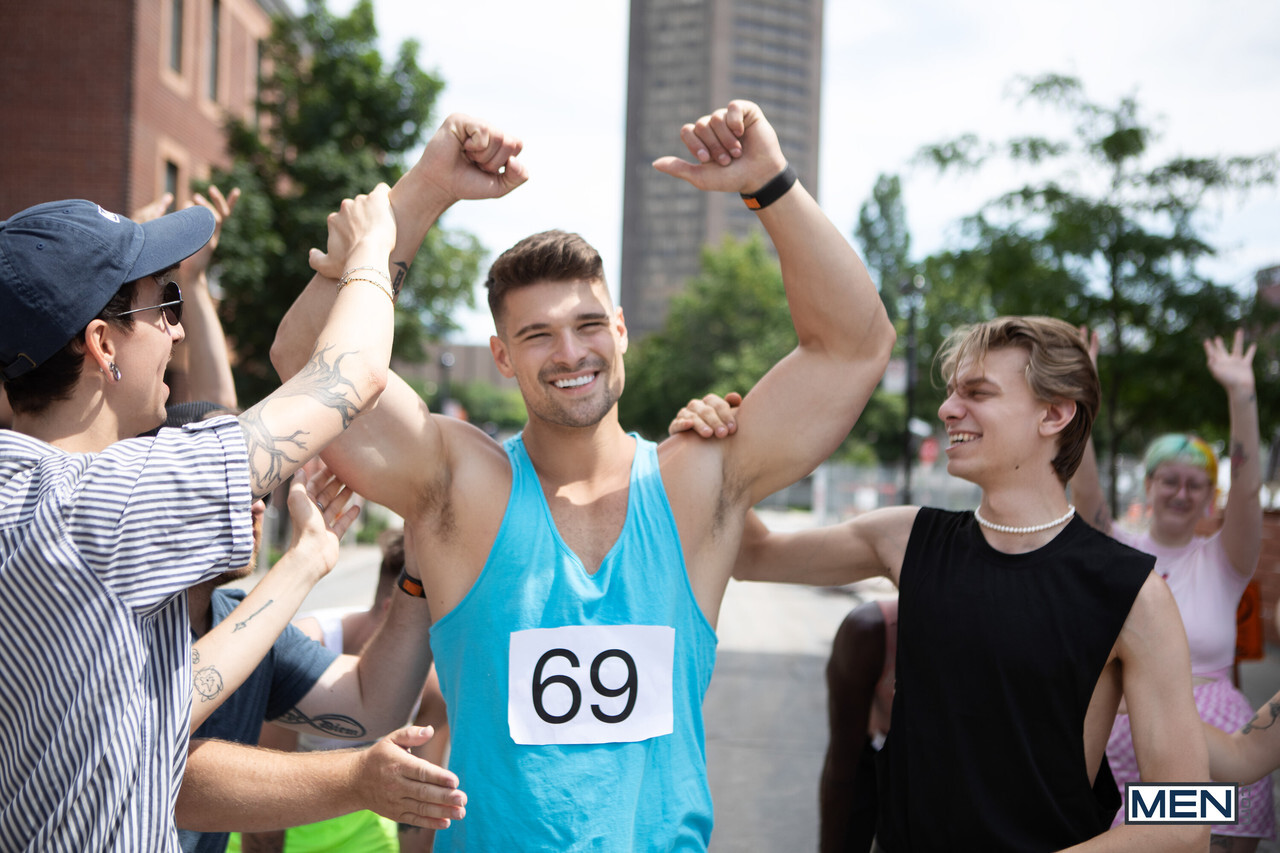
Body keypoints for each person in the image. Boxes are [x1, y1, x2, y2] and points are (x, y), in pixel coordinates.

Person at [270, 100, 895, 850]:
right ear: (502, 357)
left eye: (589, 325)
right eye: (537, 335)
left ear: (622, 331)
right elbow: (313, 367)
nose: (570, 353)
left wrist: (771, 184)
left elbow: (854, 347)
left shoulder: (698, 478)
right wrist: (429, 187)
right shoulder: (461, 485)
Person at [674, 316, 1210, 852]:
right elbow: (753, 556)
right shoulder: (907, 538)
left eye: (977, 392)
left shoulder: (1134, 593)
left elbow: (1189, 813)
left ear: (1054, 413)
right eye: (952, 392)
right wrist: (717, 449)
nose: (948, 409)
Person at [0, 176, 400, 850]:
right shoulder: (105, 502)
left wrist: (301, 566)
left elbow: (157, 699)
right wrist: (375, 246)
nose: (176, 329)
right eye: (163, 305)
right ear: (101, 343)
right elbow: (350, 374)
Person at [1070, 328, 1271, 851]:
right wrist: (1083, 389)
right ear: (1150, 485)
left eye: (1196, 482)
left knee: (1193, 846)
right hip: (1119, 742)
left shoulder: (1226, 560)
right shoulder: (1113, 549)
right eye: (1170, 479)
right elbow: (1084, 486)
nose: (1181, 492)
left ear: (1210, 495)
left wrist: (1240, 395)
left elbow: (1249, 490)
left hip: (1216, 746)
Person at [231, 529, 453, 853]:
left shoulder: (432, 685)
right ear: (397, 612)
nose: (444, 646)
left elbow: (417, 814)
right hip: (273, 813)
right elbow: (261, 797)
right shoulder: (303, 650)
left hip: (361, 821)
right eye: (437, 627)